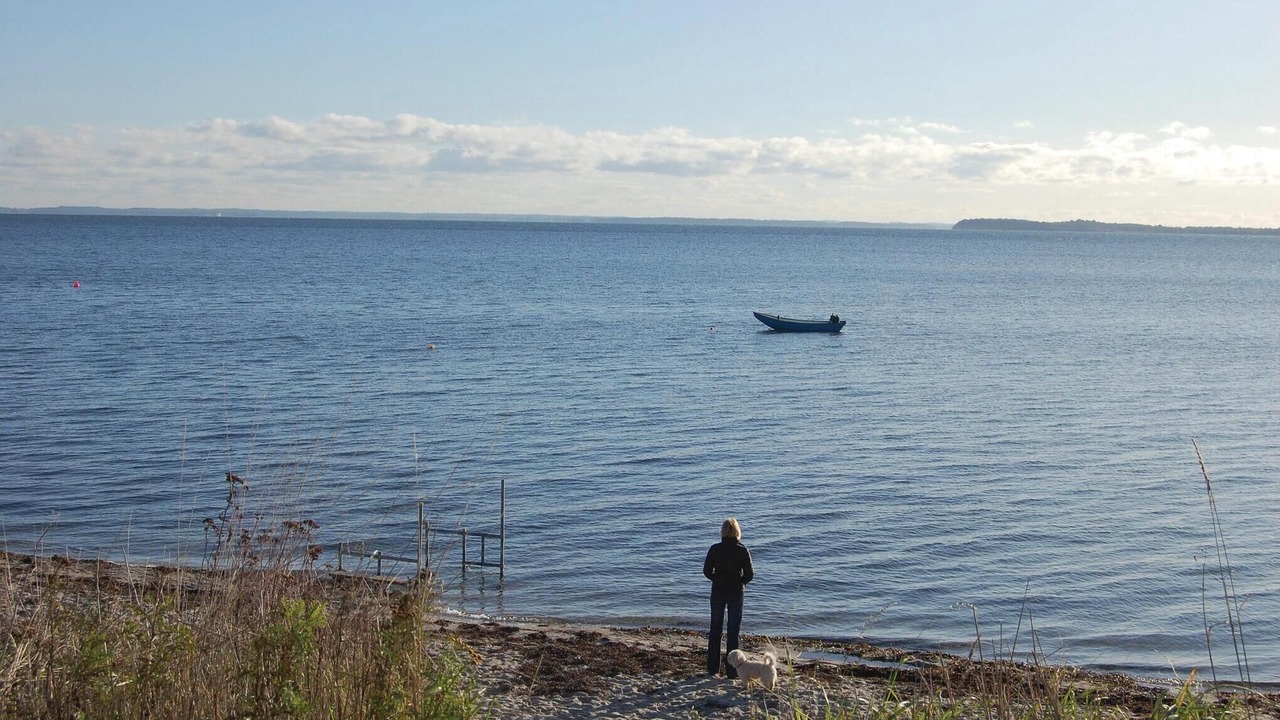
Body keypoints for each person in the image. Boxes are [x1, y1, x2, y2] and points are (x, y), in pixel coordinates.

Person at [702, 517, 754, 677]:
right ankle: (732, 671)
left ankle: (712, 668)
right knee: (733, 630)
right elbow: (750, 574)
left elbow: (706, 571)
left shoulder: (715, 549)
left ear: (723, 532)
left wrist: (716, 578)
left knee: (715, 629)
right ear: (737, 532)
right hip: (736, 592)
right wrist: (740, 581)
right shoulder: (742, 549)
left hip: (718, 590)